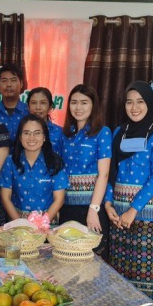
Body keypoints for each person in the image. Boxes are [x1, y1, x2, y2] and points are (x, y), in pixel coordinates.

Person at [104, 81, 153, 301]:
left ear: (150, 103)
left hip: (146, 211)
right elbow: (111, 171)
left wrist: (133, 210)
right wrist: (108, 203)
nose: (134, 108)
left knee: (143, 272)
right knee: (118, 271)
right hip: (118, 211)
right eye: (129, 102)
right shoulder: (119, 132)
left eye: (140, 102)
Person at [60, 84, 113, 261]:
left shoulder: (102, 132)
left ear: (93, 105)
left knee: (93, 262)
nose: (78, 107)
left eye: (84, 102)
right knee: (67, 259)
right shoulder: (65, 134)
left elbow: (104, 174)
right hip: (67, 208)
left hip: (91, 208)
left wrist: (93, 209)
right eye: (74, 102)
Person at [0, 115, 68, 222]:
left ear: (44, 137)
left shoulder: (55, 162)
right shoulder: (10, 161)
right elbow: (5, 197)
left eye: (37, 133)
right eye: (26, 133)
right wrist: (20, 224)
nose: (31, 138)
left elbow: (59, 199)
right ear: (20, 137)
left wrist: (42, 223)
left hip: (47, 224)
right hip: (17, 224)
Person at [0, 64, 29, 143]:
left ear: (21, 84)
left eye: (13, 80)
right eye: (4, 81)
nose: (8, 85)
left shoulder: (29, 112)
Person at [27, 87, 65, 156]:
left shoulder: (60, 133)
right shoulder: (22, 130)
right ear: (28, 107)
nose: (38, 107)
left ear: (50, 107)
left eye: (43, 103)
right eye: (33, 103)